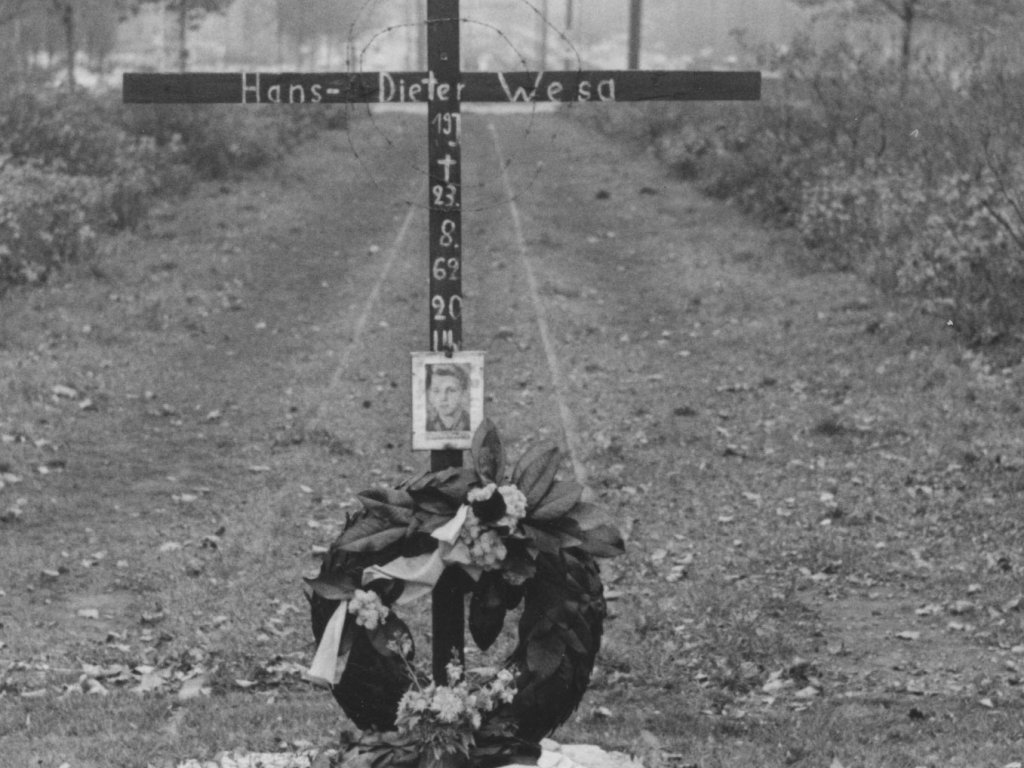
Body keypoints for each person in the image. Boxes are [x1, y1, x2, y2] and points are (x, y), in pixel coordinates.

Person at [426, 364, 470, 432]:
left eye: (451, 390)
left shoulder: (471, 423)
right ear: (429, 395)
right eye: (436, 391)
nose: (443, 398)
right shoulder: (427, 426)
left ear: (463, 394)